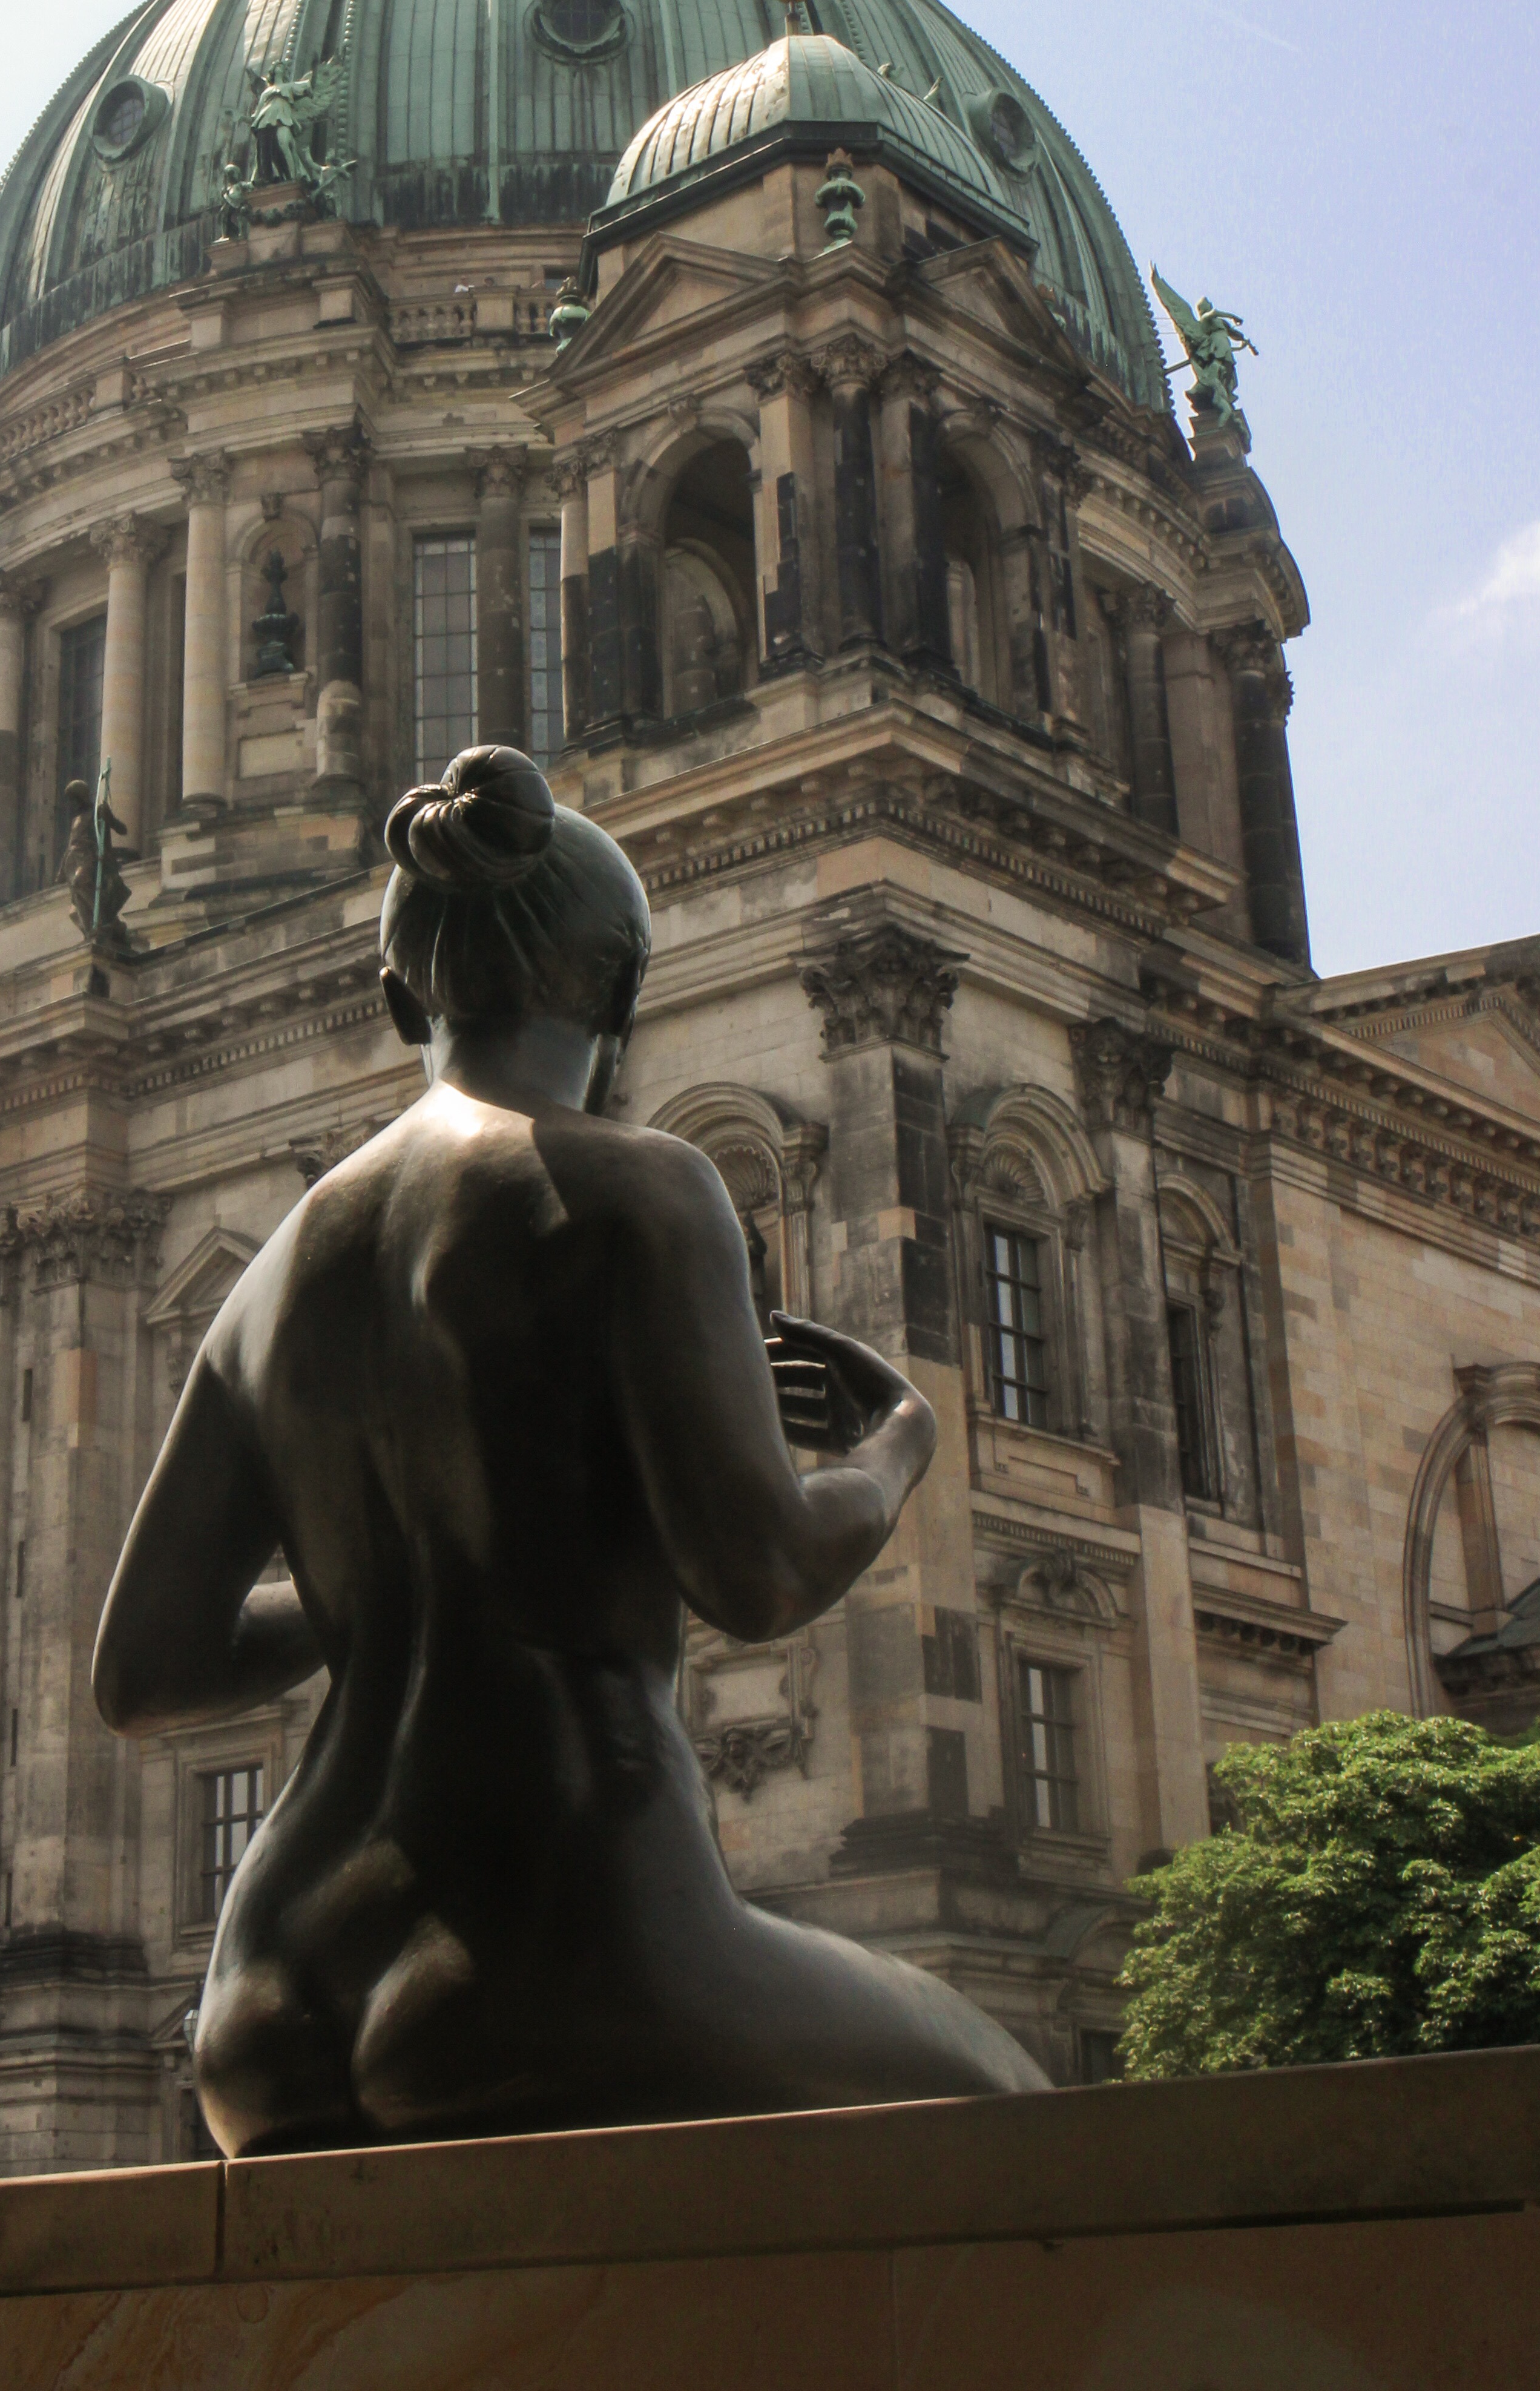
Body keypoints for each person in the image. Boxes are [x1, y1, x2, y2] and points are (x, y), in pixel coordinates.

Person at [94, 745, 1045, 2155]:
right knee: (1010, 2096)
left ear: (396, 992)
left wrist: (386, 1566)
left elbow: (146, 1672)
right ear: (618, 990)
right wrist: (896, 1448)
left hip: (266, 1990)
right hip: (558, 1942)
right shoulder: (638, 1184)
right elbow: (763, 1576)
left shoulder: (269, 1277)